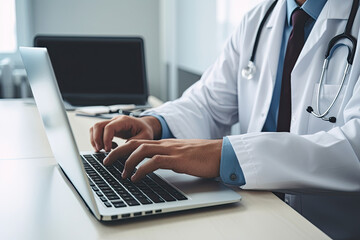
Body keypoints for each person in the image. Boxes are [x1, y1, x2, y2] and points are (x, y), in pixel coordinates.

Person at [90, 0, 360, 239]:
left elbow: (354, 148)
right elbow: (208, 102)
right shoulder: (257, 19)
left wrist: (225, 156)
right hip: (252, 212)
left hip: (325, 228)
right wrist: (156, 124)